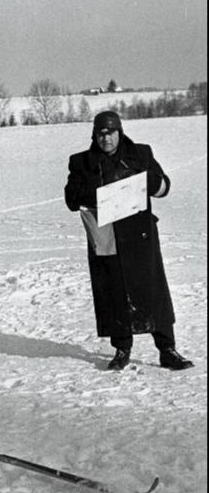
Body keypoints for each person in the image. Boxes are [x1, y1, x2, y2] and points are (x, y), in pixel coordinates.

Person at [64, 111, 194, 371]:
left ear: (119, 132)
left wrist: (148, 180)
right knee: (114, 293)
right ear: (94, 135)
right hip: (107, 236)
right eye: (100, 134)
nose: (106, 139)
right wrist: (104, 193)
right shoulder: (81, 162)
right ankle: (122, 350)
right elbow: (70, 199)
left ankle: (167, 349)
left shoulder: (141, 155)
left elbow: (164, 188)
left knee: (152, 291)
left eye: (110, 133)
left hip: (139, 236)